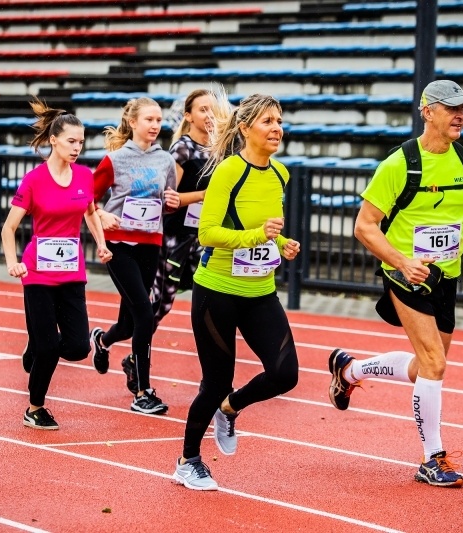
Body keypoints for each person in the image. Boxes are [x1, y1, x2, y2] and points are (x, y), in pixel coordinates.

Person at [327, 79, 463, 488]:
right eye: (451, 108)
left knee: (425, 369)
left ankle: (350, 369)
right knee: (435, 363)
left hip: (447, 278)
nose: (460, 116)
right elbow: (364, 227)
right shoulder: (399, 164)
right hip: (405, 277)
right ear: (427, 111)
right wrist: (402, 261)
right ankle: (431, 458)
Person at [172, 93, 301, 491]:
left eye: (279, 120)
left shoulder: (281, 174)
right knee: (216, 379)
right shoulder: (229, 170)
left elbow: (267, 229)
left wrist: (282, 245)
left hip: (260, 290)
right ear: (245, 128)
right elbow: (208, 232)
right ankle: (188, 460)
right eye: (267, 121)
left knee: (285, 374)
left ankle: (230, 409)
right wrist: (257, 237)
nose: (276, 128)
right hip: (217, 290)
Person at [1, 97, 111, 431]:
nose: (77, 147)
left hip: (71, 273)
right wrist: (12, 263)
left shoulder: (84, 176)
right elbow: (9, 227)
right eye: (71, 141)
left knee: (78, 347)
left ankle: (37, 345)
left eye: (81, 142)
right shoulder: (34, 180)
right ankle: (35, 407)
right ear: (53, 140)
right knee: (49, 347)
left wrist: (102, 245)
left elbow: (90, 213)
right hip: (37, 273)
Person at [89, 97, 180, 415]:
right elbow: (88, 200)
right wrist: (101, 216)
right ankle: (143, 391)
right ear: (132, 123)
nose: (155, 126)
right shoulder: (115, 160)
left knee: (128, 324)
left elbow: (168, 201)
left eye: (158, 120)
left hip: (150, 243)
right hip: (119, 244)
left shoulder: (165, 160)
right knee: (145, 313)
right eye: (149, 120)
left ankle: (102, 340)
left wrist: (171, 201)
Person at [147, 88, 216, 335]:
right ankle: (131, 352)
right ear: (188, 116)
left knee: (214, 296)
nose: (210, 115)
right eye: (203, 110)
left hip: (204, 235)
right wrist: (202, 196)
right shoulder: (182, 149)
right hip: (175, 236)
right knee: (161, 304)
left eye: (213, 109)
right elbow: (167, 200)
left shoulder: (220, 150)